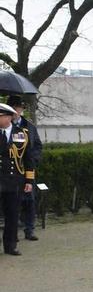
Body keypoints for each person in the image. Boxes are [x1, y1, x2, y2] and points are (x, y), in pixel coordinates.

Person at [0, 103, 34, 256]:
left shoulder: (21, 133)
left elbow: (28, 158)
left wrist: (29, 181)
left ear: (8, 117)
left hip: (14, 180)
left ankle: (11, 245)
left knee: (12, 214)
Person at [8, 95, 42, 241]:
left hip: (27, 169)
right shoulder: (5, 126)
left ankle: (29, 229)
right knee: (12, 202)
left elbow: (37, 146)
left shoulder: (29, 126)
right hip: (10, 171)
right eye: (15, 108)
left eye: (20, 108)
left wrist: (33, 160)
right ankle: (12, 233)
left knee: (29, 200)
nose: (18, 111)